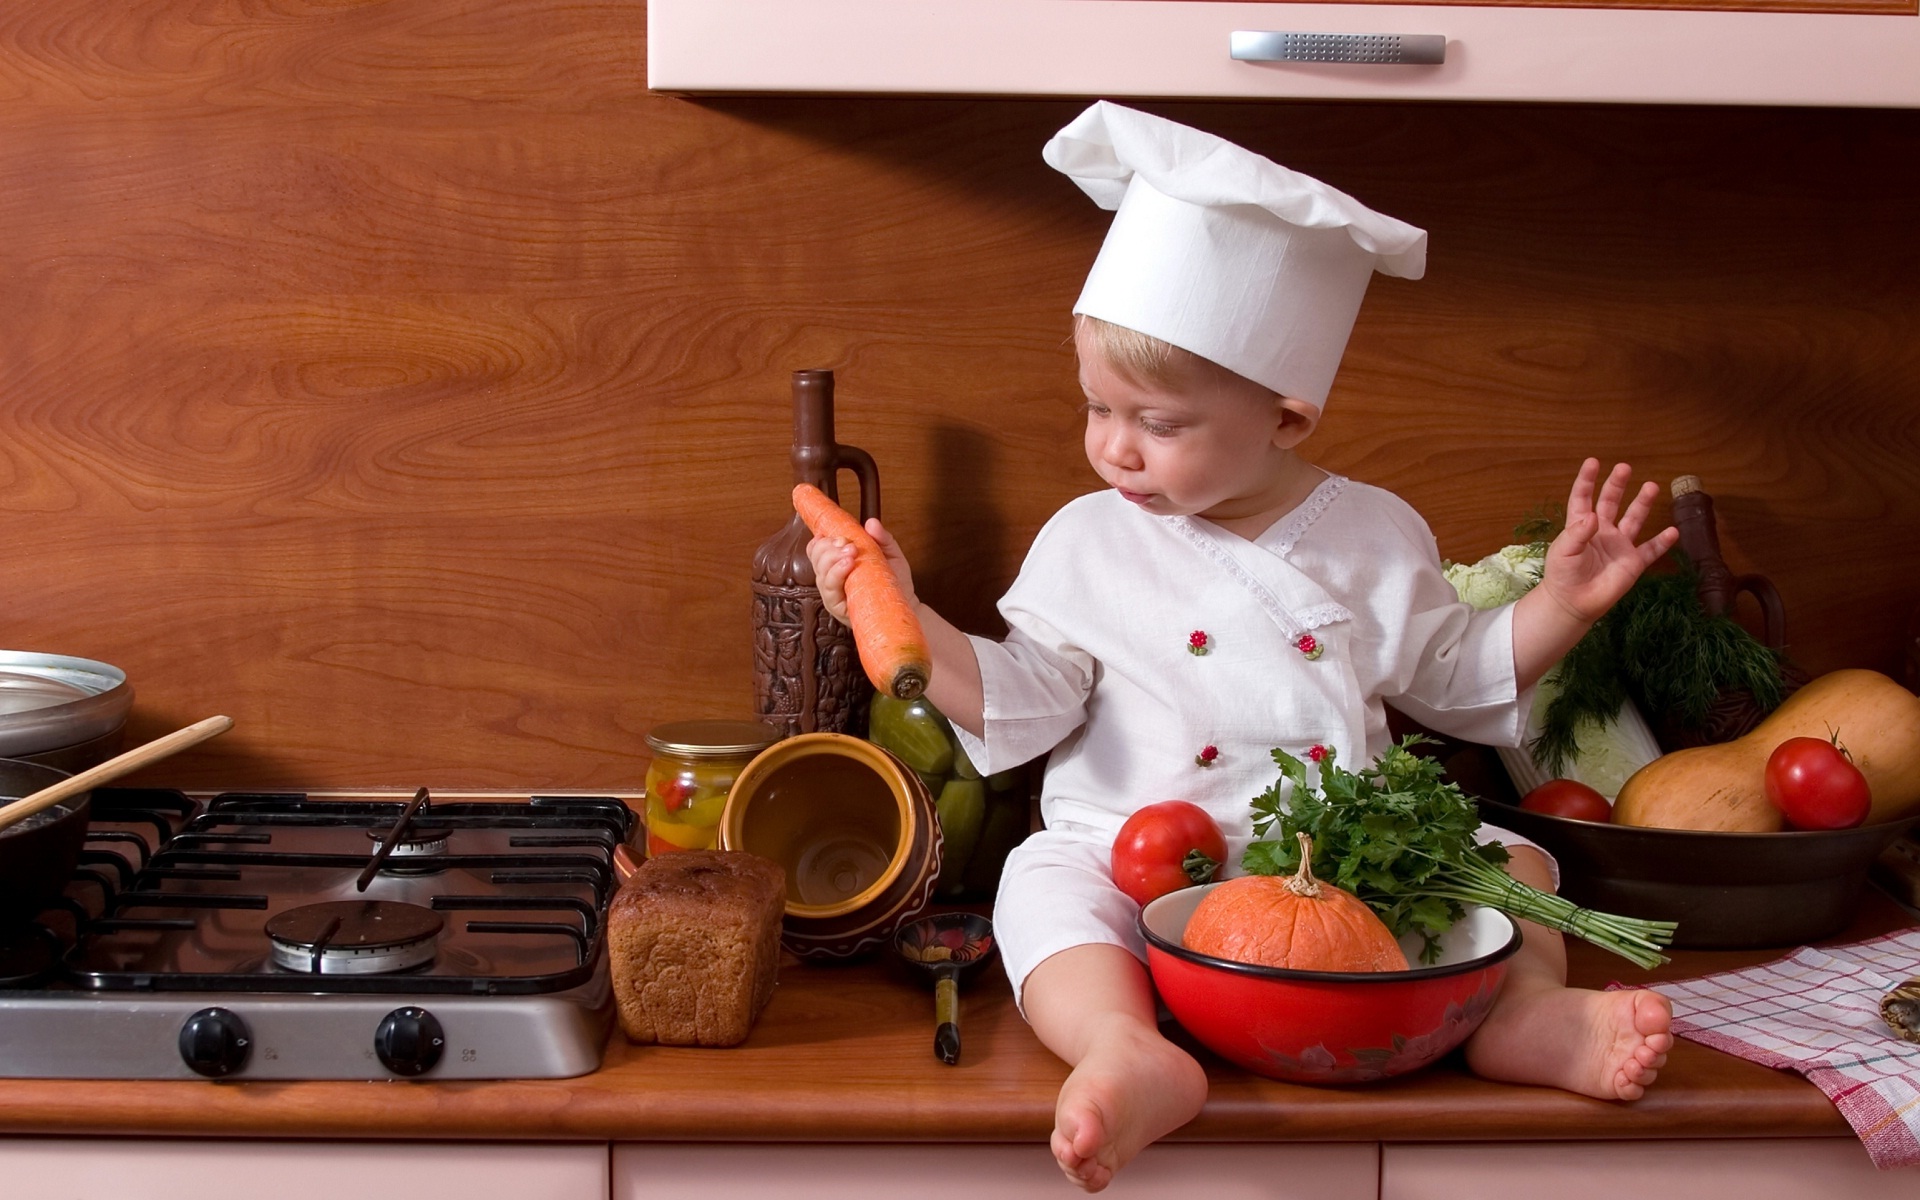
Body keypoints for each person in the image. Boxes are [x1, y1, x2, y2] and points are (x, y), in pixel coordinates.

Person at [806, 101, 1678, 1193]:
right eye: (1096, 408)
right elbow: (1025, 697)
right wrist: (904, 615)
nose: (1116, 447)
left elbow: (1460, 681)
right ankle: (1126, 1047)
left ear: (1288, 419)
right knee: (1040, 884)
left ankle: (1528, 1019)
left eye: (1159, 423)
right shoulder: (1087, 539)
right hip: (1134, 856)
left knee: (1513, 863)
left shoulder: (1371, 532)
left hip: (1327, 866)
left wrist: (1568, 604)